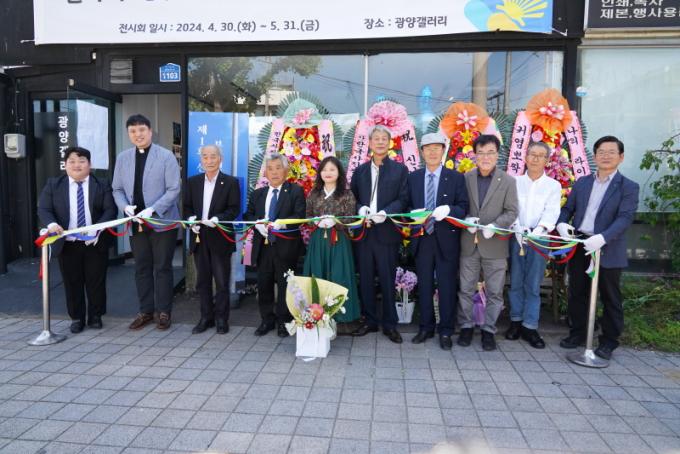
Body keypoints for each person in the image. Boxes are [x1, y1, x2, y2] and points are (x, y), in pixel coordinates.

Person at [557, 135, 639, 360]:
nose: (606, 156)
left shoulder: (628, 187)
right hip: (581, 244)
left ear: (621, 157)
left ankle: (609, 341)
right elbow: (568, 209)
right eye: (601, 152)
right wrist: (562, 223)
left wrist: (603, 237)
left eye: (611, 152)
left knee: (610, 295)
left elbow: (625, 218)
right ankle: (579, 333)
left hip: (607, 247)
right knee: (577, 291)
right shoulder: (582, 182)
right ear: (594, 157)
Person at [112, 114, 181, 331]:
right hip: (136, 223)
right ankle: (146, 311)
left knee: (162, 267)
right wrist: (124, 207)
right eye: (133, 131)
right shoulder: (123, 158)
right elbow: (117, 189)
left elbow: (174, 189)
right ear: (128, 134)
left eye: (141, 130)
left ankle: (164, 311)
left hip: (162, 222)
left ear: (150, 131)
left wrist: (154, 208)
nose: (138, 134)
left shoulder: (166, 156)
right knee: (141, 267)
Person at [37, 147, 117, 333]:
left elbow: (110, 210)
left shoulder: (102, 183)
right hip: (68, 243)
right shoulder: (54, 185)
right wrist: (52, 224)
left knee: (96, 280)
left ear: (90, 164)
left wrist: (97, 229)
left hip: (95, 241)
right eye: (72, 161)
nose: (77, 165)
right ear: (65, 165)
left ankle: (95, 316)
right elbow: (44, 209)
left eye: (82, 161)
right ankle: (77, 318)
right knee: (72, 282)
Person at [407, 132, 469, 350]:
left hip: (446, 239)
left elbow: (463, 207)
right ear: (422, 152)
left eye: (437, 148)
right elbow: (406, 206)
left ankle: (446, 330)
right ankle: (425, 327)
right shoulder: (413, 177)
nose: (432, 152)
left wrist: (449, 210)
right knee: (424, 285)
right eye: (428, 148)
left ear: (443, 151)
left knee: (447, 286)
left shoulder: (456, 178)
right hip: (422, 238)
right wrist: (414, 214)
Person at [457, 134, 518, 351]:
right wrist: (465, 220)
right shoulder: (465, 178)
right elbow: (460, 205)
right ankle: (465, 326)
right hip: (469, 243)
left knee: (494, 291)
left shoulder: (508, 181)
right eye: (481, 153)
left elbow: (512, 211)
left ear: (497, 154)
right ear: (474, 155)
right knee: (465, 288)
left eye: (490, 152)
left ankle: (489, 330)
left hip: (495, 245)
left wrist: (496, 225)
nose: (485, 157)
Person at [350, 124, 409, 344]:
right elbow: (352, 198)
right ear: (370, 143)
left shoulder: (400, 170)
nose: (381, 142)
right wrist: (360, 209)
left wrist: (386, 212)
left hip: (387, 232)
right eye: (376, 138)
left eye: (384, 138)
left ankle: (390, 324)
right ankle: (370, 321)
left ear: (390, 142)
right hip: (365, 233)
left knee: (387, 278)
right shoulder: (360, 171)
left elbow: (404, 198)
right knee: (365, 278)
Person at [506, 141, 561, 349]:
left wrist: (538, 231)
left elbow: (551, 212)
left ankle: (530, 325)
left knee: (533, 283)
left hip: (540, 238)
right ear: (526, 157)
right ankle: (515, 321)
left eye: (540, 155)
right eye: (532, 154)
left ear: (547, 160)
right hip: (516, 236)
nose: (536, 159)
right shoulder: (514, 182)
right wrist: (517, 228)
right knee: (516, 280)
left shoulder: (553, 186)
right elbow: (510, 208)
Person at [244, 153, 306, 337]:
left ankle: (284, 321)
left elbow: (300, 215)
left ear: (286, 170)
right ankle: (267, 320)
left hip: (286, 247)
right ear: (265, 172)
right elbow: (248, 215)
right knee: (264, 283)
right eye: (270, 168)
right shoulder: (258, 194)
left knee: (286, 285)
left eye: (278, 167)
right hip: (263, 246)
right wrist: (257, 223)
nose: (274, 172)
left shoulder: (295, 191)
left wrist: (283, 223)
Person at [184, 145, 241, 335]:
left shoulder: (230, 182)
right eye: (205, 157)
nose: (209, 160)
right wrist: (191, 221)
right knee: (203, 281)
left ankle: (221, 319)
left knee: (222, 281)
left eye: (213, 157)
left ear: (220, 159)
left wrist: (218, 219)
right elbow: (186, 208)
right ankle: (206, 317)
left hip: (220, 238)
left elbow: (234, 209)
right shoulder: (192, 182)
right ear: (201, 160)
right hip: (199, 237)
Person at [303, 156, 361, 325]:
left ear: (339, 173)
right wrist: (315, 222)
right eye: (324, 169)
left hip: (339, 240)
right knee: (318, 274)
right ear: (320, 173)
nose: (328, 173)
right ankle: (315, 316)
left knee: (339, 274)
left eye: (332, 169)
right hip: (318, 240)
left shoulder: (347, 194)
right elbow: (307, 216)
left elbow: (351, 218)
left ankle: (342, 317)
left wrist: (336, 222)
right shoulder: (314, 193)